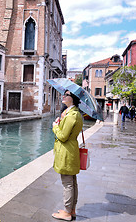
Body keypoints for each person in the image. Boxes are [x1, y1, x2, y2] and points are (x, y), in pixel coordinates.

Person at [51, 90, 83, 221]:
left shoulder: (72, 115)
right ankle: (71, 209)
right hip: (71, 150)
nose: (63, 96)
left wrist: (55, 126)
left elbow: (63, 136)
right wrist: (61, 122)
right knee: (72, 181)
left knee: (67, 183)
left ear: (73, 98)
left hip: (66, 151)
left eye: (67, 95)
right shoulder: (72, 113)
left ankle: (67, 212)